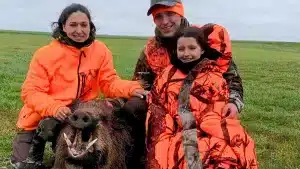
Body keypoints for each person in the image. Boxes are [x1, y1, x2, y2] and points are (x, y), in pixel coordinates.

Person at [9, 3, 146, 169]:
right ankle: (36, 147)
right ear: (63, 27)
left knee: (81, 156)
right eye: (73, 25)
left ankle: (62, 145)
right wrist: (54, 108)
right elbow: (31, 92)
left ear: (90, 26)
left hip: (76, 114)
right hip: (44, 115)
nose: (79, 30)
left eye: (84, 25)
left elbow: (109, 82)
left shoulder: (100, 51)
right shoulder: (45, 54)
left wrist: (133, 88)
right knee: (22, 164)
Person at [122, 0, 245, 168]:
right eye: (158, 16)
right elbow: (140, 83)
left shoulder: (204, 38)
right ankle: (140, 154)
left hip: (203, 106)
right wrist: (155, 97)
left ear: (180, 12)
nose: (165, 21)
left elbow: (232, 78)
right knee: (133, 106)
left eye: (170, 14)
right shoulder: (150, 50)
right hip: (166, 108)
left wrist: (233, 102)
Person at [145, 25, 258, 169]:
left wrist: (206, 126)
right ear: (176, 50)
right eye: (181, 49)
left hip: (208, 128)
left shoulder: (213, 75)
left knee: (227, 154)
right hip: (176, 130)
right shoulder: (166, 75)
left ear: (202, 49)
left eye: (192, 48)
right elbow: (158, 106)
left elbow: (217, 106)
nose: (186, 53)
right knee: (173, 156)